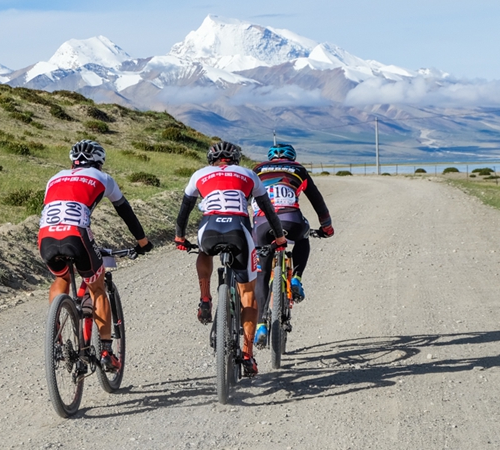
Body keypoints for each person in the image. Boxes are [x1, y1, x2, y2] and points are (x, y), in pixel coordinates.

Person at [38, 140, 153, 372]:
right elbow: (125, 212)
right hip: (76, 235)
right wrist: (143, 243)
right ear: (99, 162)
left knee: (61, 279)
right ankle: (106, 352)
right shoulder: (104, 178)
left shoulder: (54, 177)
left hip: (46, 236)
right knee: (97, 287)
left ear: (73, 162)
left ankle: (57, 340)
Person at [174, 140, 287, 376]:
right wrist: (279, 239)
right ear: (235, 158)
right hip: (239, 232)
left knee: (204, 251)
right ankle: (247, 355)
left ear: (211, 159)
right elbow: (268, 210)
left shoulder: (199, 175)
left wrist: (179, 237)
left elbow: (184, 210)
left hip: (209, 229)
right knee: (248, 295)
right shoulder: (248, 174)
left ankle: (205, 298)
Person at [252, 142, 333, 347]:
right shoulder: (298, 170)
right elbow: (317, 201)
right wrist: (326, 227)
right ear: (292, 158)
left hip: (262, 224)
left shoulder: (257, 170)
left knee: (262, 274)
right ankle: (296, 278)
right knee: (302, 236)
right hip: (291, 220)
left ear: (270, 159)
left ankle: (261, 324)